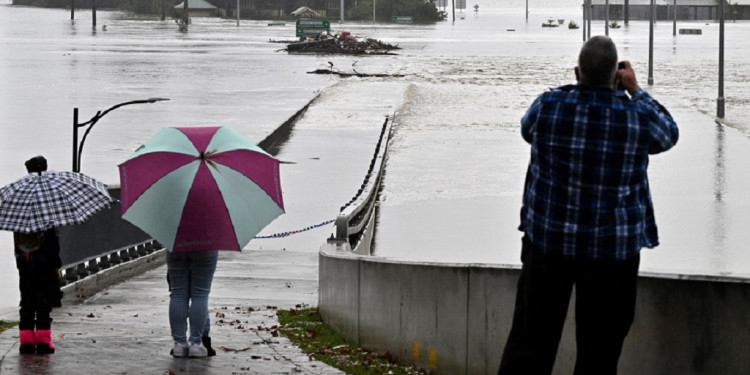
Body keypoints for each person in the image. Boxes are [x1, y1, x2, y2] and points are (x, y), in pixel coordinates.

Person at [498, 35, 679, 375]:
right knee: (600, 353)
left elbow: (527, 130)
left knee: (530, 344)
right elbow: (669, 134)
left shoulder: (548, 105)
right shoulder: (636, 118)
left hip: (548, 246)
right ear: (617, 78)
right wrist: (635, 89)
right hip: (612, 255)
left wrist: (581, 86)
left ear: (576, 72)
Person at [14, 156, 63, 355]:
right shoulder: (49, 199)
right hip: (44, 264)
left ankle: (26, 342)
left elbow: (17, 241)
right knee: (43, 303)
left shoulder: (18, 199)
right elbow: (52, 244)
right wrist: (56, 264)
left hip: (25, 263)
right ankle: (43, 342)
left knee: (26, 302)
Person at [166, 250, 218, 358]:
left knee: (178, 294)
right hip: (205, 245)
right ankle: (196, 344)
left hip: (177, 245)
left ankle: (179, 344)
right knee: (200, 294)